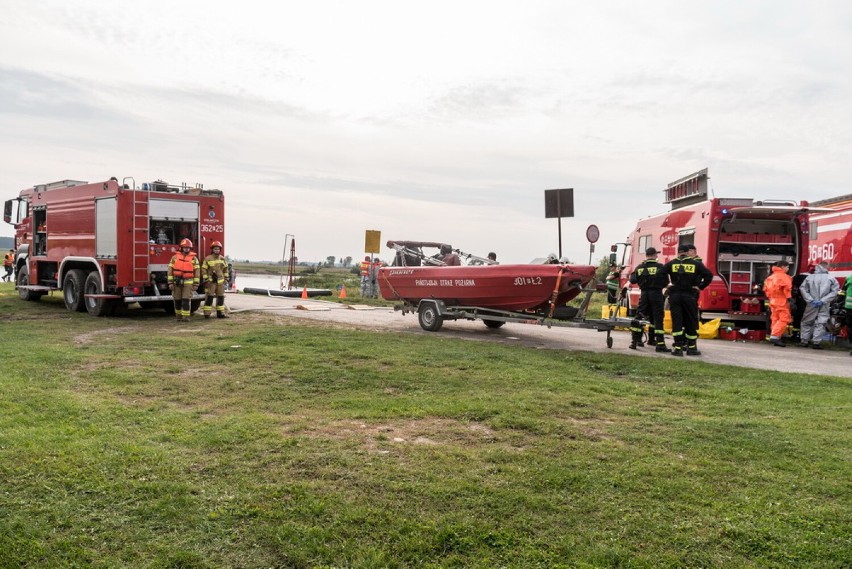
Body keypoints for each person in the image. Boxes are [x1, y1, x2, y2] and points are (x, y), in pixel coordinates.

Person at [663, 243, 713, 356]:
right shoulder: (696, 263)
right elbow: (709, 275)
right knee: (690, 320)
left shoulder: (671, 263)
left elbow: (660, 274)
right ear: (687, 252)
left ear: (678, 252)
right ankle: (692, 348)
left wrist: (667, 285)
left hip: (675, 296)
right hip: (689, 295)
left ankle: (677, 348)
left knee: (677, 321)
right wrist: (700, 286)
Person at [628, 247, 669, 352]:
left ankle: (635, 341)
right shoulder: (660, 267)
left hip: (644, 294)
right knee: (657, 319)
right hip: (656, 294)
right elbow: (666, 282)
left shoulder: (640, 267)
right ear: (655, 255)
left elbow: (632, 280)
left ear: (646, 255)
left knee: (639, 317)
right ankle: (660, 344)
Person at [798, 261, 839, 349]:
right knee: (821, 322)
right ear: (826, 267)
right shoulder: (831, 278)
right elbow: (834, 291)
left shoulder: (810, 277)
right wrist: (823, 300)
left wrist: (811, 300)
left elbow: (803, 289)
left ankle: (804, 341)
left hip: (811, 304)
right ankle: (816, 342)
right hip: (824, 304)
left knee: (807, 321)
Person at [167, 238, 200, 322]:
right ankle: (178, 316)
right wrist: (170, 282)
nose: (186, 249)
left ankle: (185, 317)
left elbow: (197, 271)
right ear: (181, 247)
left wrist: (196, 283)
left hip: (188, 282)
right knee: (177, 299)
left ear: (190, 248)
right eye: (185, 247)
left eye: (188, 248)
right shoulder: (175, 257)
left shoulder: (194, 259)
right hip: (176, 281)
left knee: (186, 299)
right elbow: (170, 270)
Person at [763, 260, 794, 347]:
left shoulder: (770, 277)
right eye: (788, 267)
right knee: (784, 319)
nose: (788, 269)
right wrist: (790, 300)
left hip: (772, 301)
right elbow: (787, 289)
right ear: (783, 267)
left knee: (775, 319)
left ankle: (775, 336)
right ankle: (775, 336)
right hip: (782, 301)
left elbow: (766, 290)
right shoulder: (784, 277)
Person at [201, 241, 230, 319]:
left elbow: (225, 269)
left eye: (218, 249)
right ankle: (207, 314)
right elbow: (203, 269)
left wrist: (226, 278)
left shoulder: (222, 258)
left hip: (220, 282)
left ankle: (220, 314)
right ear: (212, 249)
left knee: (220, 298)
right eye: (215, 249)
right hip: (211, 282)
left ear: (220, 250)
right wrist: (206, 279)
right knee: (209, 298)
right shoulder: (208, 258)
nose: (217, 250)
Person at [790, 265, 815, 342]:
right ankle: (804, 336)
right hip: (810, 301)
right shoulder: (813, 279)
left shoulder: (798, 277)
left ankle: (795, 335)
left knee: (798, 317)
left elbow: (793, 287)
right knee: (808, 319)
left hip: (799, 300)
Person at [837, 273, 852, 356]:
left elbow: (842, 292)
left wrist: (839, 302)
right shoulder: (849, 277)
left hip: (849, 307)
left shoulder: (849, 278)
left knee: (850, 327)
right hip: (849, 307)